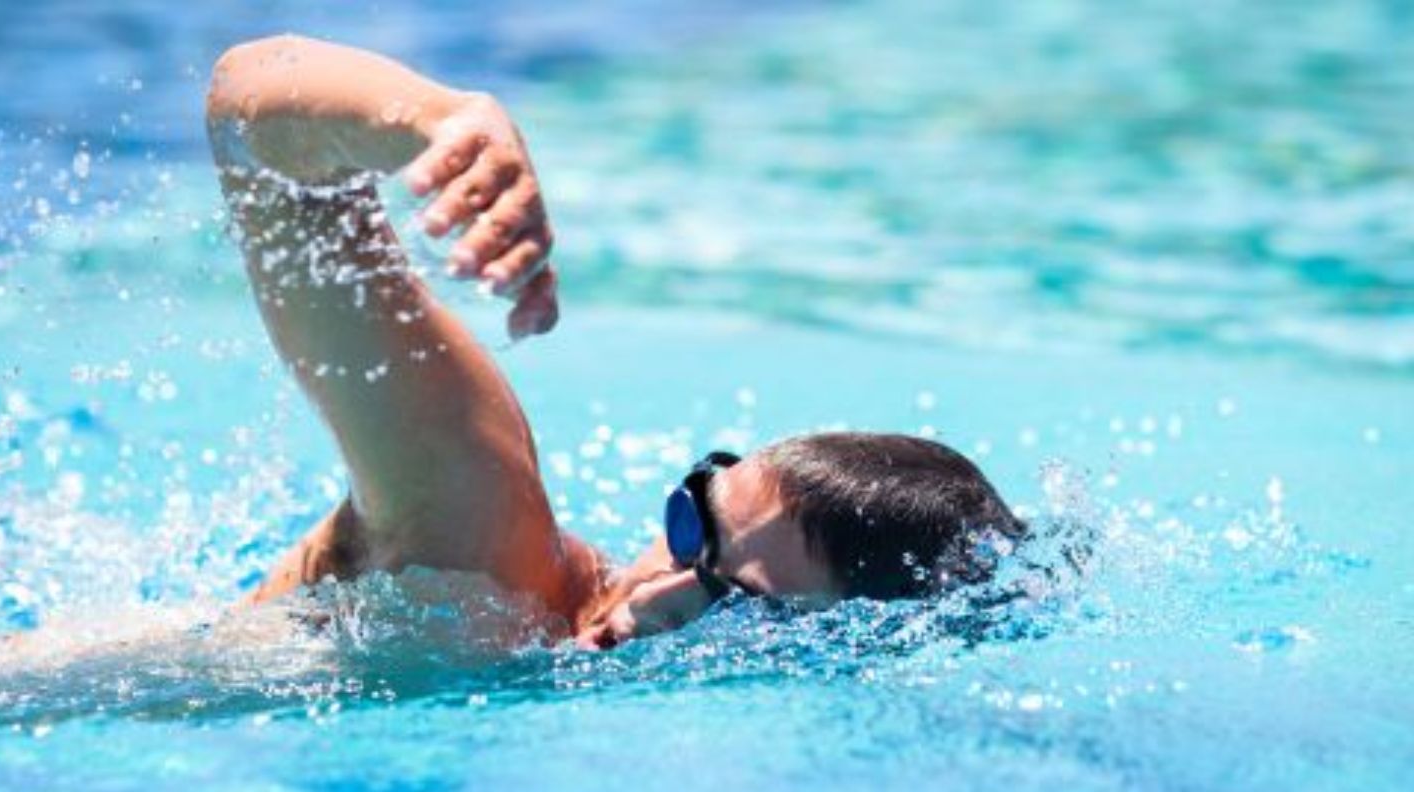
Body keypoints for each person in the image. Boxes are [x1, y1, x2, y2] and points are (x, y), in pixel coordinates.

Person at [205, 35, 1023, 651]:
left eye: (732, 602)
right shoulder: (483, 554)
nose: (654, 593)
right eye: (688, 526)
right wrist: (439, 121)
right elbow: (247, 111)